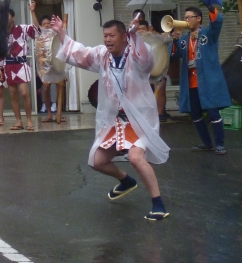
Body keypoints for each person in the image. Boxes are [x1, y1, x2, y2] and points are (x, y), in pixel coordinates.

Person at [51, 15, 170, 221]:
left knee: (135, 157)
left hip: (139, 119)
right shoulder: (101, 55)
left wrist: (135, 37)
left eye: (111, 35)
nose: (107, 39)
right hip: (115, 119)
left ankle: (158, 202)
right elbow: (80, 53)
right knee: (97, 161)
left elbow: (147, 60)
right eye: (105, 36)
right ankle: (126, 181)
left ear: (123, 36)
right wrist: (61, 32)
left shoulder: (135, 55)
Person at [174, 6, 231, 155]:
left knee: (213, 112)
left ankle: (219, 143)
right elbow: (177, 54)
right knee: (195, 113)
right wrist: (174, 40)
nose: (186, 20)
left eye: (189, 17)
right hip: (191, 83)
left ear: (198, 18)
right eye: (185, 17)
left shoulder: (208, 34)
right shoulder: (185, 39)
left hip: (207, 81)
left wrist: (211, 7)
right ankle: (206, 143)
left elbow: (217, 23)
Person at [5, 8, 37, 131]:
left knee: (24, 93)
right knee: (13, 94)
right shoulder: (1, 33)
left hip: (21, 63)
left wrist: (33, 12)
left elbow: (36, 30)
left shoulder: (21, 28)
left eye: (7, 16)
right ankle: (19, 121)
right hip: (8, 64)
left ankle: (29, 120)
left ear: (13, 18)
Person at [34, 6, 67, 124]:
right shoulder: (39, 34)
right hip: (44, 65)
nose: (47, 25)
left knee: (59, 87)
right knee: (46, 87)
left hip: (56, 64)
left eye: (48, 23)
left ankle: (59, 113)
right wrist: (33, 11)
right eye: (44, 23)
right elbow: (35, 25)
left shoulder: (56, 34)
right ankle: (49, 113)